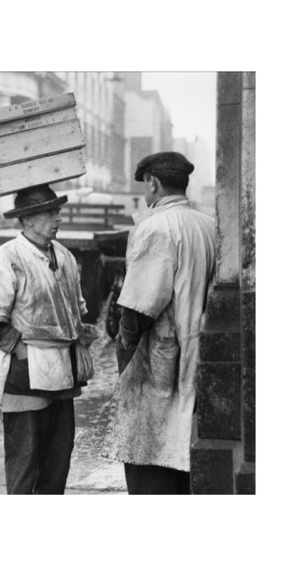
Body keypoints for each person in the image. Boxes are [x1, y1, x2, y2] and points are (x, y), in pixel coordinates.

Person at [0, 184, 97, 494]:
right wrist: (20, 349)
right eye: (50, 212)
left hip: (63, 376)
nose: (58, 218)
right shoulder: (5, 259)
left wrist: (82, 330)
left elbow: (77, 308)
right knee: (25, 461)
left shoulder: (65, 257)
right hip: (24, 377)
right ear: (27, 219)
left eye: (58, 211)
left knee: (57, 461)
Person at [104, 151, 216, 495]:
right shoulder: (208, 224)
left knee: (150, 458)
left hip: (161, 361)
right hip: (198, 353)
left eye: (145, 187)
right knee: (183, 455)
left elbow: (138, 308)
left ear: (152, 183)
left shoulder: (155, 226)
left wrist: (124, 359)